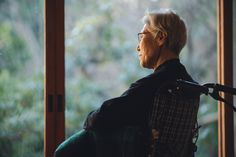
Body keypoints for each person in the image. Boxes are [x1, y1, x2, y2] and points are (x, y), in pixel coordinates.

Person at [54, 9, 199, 157]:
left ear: (161, 37)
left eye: (142, 36)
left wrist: (91, 118)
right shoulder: (191, 87)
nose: (138, 47)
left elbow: (99, 119)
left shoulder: (152, 87)